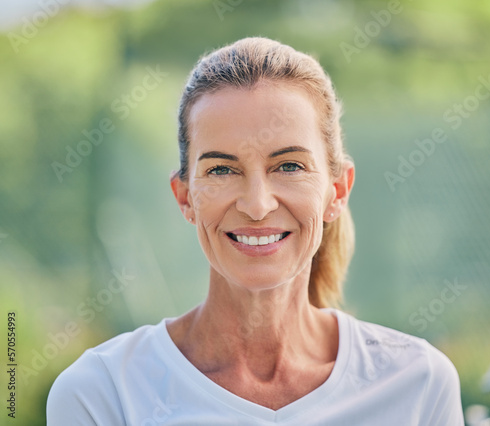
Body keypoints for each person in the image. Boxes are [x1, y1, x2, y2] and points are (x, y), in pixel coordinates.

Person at [47, 37, 464, 425]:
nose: (257, 205)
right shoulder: (103, 393)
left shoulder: (418, 384)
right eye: (222, 169)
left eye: (288, 166)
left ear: (336, 191)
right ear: (185, 197)